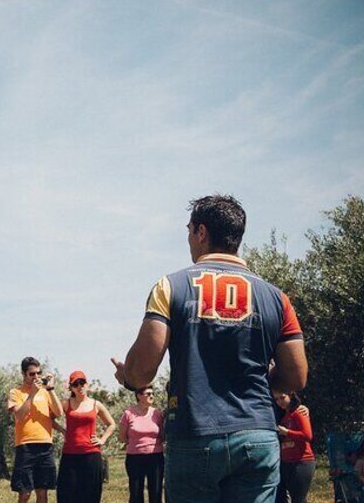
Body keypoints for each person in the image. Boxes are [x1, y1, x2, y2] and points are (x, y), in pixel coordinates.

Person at [112, 195, 308, 503]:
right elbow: (296, 377)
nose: (188, 239)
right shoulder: (277, 298)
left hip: (194, 434)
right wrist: (258, 380)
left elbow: (142, 371)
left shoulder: (171, 287)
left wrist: (128, 376)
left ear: (201, 232)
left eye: (189, 230)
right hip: (257, 434)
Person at [7, 357, 63, 503]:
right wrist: (32, 394)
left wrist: (50, 389)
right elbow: (18, 416)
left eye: (39, 373)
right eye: (32, 374)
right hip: (25, 446)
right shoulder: (16, 392)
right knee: (25, 493)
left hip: (45, 445)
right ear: (24, 374)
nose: (36, 377)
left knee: (42, 492)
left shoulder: (45, 392)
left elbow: (58, 413)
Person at [56, 371, 115, 503]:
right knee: (67, 494)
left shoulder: (96, 404)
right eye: (76, 384)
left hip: (91, 455)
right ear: (71, 388)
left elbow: (111, 424)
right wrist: (62, 430)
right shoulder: (66, 403)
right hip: (70, 455)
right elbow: (50, 417)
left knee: (90, 495)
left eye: (82, 382)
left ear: (87, 384)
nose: (80, 386)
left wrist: (102, 439)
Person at [119, 385, 163, 503]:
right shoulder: (128, 413)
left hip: (156, 457)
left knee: (156, 491)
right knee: (136, 492)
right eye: (148, 394)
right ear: (139, 396)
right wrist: (136, 444)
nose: (152, 396)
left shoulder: (157, 414)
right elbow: (122, 436)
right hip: (134, 458)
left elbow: (162, 435)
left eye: (152, 393)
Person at [274, 391, 315, 503]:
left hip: (301, 460)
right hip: (287, 461)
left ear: (291, 395)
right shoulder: (285, 416)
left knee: (299, 499)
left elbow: (307, 435)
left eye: (282, 398)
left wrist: (287, 432)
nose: (279, 402)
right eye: (276, 399)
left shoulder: (298, 412)